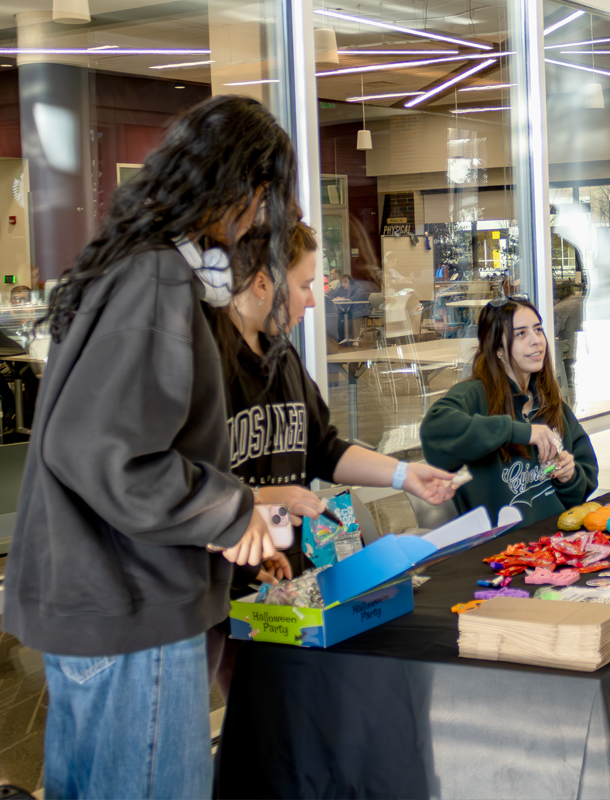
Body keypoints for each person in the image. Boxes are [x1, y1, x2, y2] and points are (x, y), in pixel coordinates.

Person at [1, 95, 297, 800]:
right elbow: (107, 453)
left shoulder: (133, 268)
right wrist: (229, 511)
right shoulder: (156, 279)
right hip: (132, 606)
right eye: (261, 203)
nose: (257, 223)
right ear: (243, 190)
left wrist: (229, 520)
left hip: (103, 601)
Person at [206, 221, 455, 695]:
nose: (313, 301)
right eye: (303, 286)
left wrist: (404, 474)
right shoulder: (207, 363)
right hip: (220, 588)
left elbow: (324, 450)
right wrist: (264, 498)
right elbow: (186, 484)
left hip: (281, 574)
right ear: (263, 284)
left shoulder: (283, 358)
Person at [420, 296, 598, 528]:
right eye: (521, 334)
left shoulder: (551, 403)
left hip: (555, 546)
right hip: (502, 553)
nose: (536, 341)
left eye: (538, 329)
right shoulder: (473, 396)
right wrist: (520, 432)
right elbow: (435, 430)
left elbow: (576, 497)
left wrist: (569, 477)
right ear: (497, 348)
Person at [554, 281, 583, 402]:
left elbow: (553, 331)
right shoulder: (581, 302)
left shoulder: (560, 308)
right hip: (579, 349)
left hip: (565, 352)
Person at [328, 271, 371, 343]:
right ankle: (341, 338)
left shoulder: (357, 286)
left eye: (345, 282)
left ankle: (356, 339)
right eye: (342, 282)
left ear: (350, 282)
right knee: (339, 314)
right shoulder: (342, 288)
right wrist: (332, 298)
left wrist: (344, 298)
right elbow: (334, 294)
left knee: (355, 314)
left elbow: (358, 297)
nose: (343, 284)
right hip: (350, 308)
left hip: (362, 307)